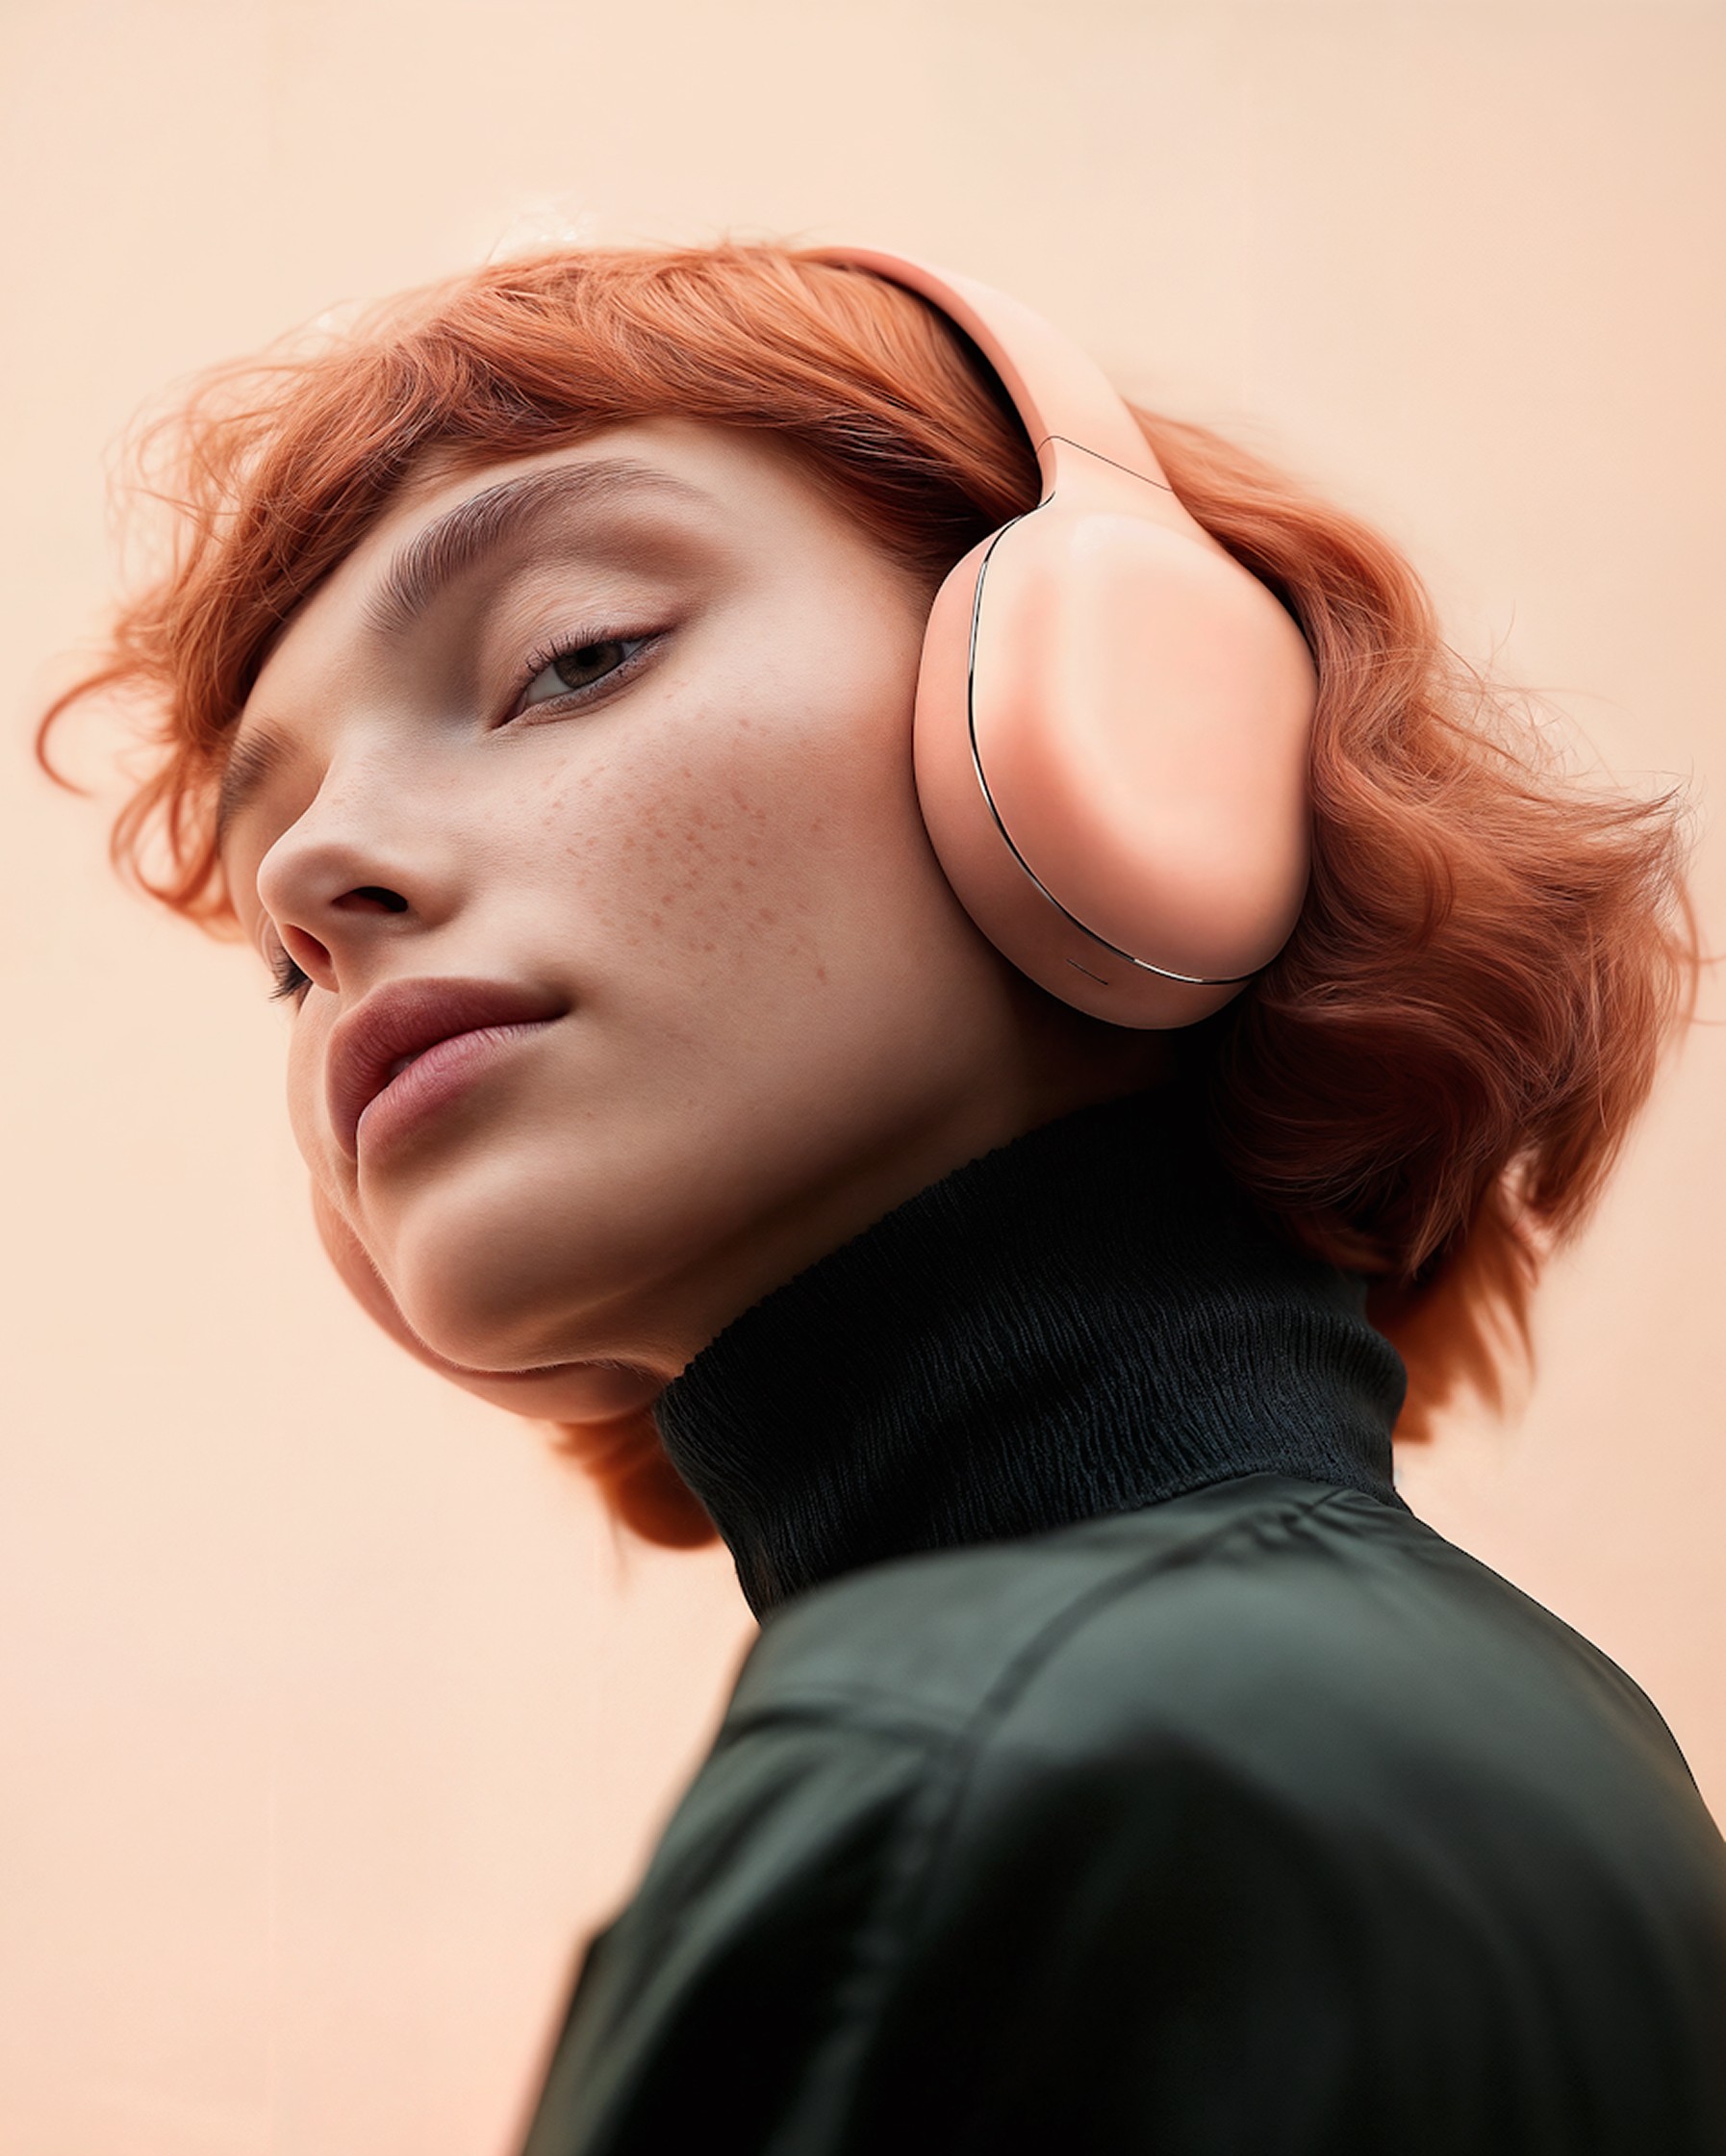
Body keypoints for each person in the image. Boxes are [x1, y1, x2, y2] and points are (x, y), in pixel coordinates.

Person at [41, 240, 1726, 2152]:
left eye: (571, 655)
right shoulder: (1539, 1729)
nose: (325, 868)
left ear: (1125, 702)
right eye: (279, 943)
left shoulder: (1000, 1772)